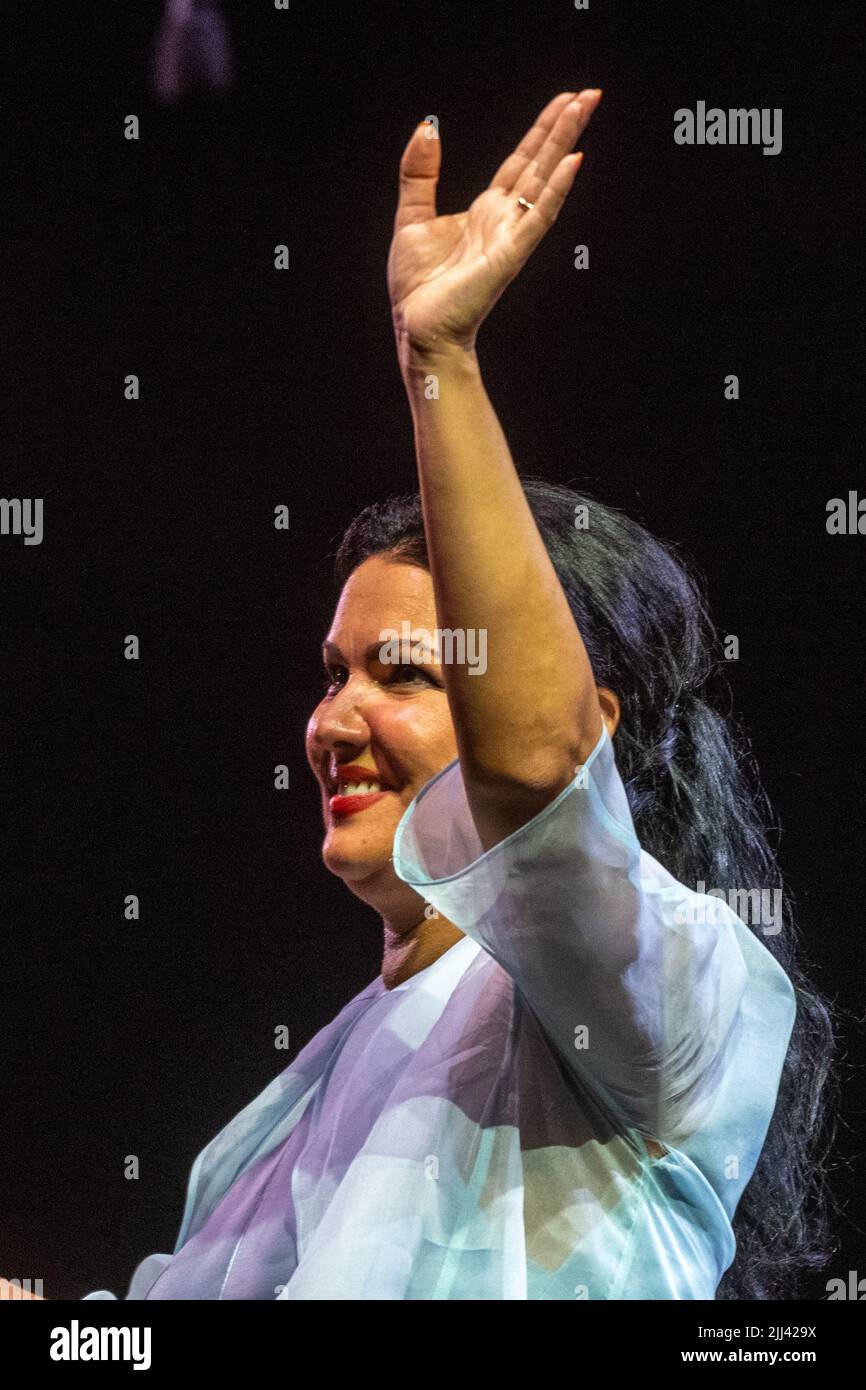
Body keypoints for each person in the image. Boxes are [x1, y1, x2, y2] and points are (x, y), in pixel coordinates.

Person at [72, 90, 834, 1300]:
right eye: (333, 674)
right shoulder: (255, 1140)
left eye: (406, 674)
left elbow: (531, 767)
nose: (333, 724)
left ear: (591, 716)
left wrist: (438, 363)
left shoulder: (658, 988)